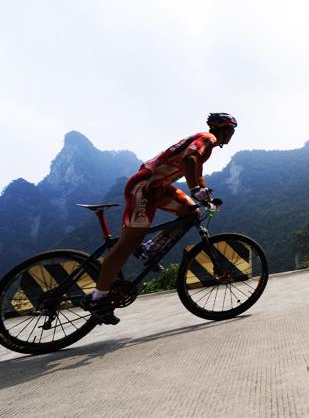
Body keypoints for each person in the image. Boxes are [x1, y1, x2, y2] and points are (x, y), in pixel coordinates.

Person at [84, 113, 238, 324]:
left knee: (190, 212)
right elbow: (189, 159)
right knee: (127, 244)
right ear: (225, 130)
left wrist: (205, 195)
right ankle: (98, 298)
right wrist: (195, 189)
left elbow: (197, 171)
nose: (232, 135)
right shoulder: (207, 139)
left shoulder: (204, 144)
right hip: (145, 186)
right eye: (232, 130)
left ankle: (149, 249)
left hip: (158, 186)